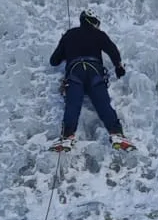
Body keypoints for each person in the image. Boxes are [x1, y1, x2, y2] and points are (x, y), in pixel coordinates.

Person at [48, 11, 133, 152]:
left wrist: (66, 48)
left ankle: (67, 136)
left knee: (73, 104)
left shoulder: (69, 35)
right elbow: (112, 50)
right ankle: (117, 134)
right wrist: (118, 66)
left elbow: (54, 61)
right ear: (92, 21)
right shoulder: (99, 34)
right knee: (103, 103)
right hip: (95, 71)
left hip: (75, 71)